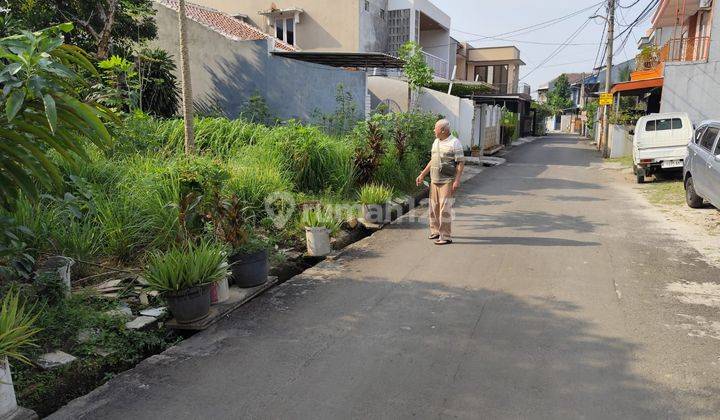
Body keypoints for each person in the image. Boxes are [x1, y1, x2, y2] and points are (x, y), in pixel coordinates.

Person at [416, 119, 465, 245]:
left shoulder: (455, 143)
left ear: (443, 130)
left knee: (444, 209)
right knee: (433, 207)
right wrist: (422, 174)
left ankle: (446, 236)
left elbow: (460, 162)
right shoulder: (436, 142)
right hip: (434, 180)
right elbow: (432, 160)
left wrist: (457, 180)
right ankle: (436, 231)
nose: (433, 130)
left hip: (447, 180)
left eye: (435, 128)